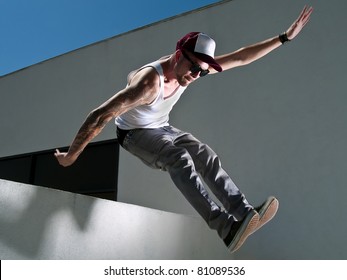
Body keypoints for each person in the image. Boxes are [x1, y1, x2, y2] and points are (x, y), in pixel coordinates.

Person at [55, 6, 313, 253]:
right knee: (178, 159)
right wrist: (71, 156)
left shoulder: (192, 68)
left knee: (205, 154)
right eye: (193, 68)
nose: (195, 76)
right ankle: (226, 228)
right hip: (134, 135)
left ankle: (244, 214)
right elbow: (100, 116)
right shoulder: (147, 85)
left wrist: (283, 38)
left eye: (202, 73)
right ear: (178, 56)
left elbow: (240, 56)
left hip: (162, 127)